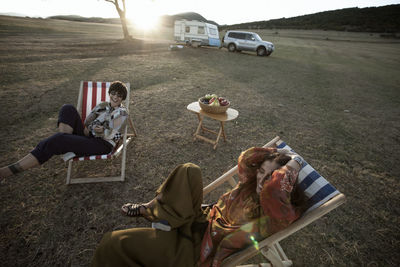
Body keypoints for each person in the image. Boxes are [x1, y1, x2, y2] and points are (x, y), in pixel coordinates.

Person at [91, 147, 307, 267]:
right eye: (261, 171)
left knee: (113, 243)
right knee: (189, 170)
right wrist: (275, 156)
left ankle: (163, 217)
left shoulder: (279, 213)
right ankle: (152, 209)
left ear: (284, 183)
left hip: (196, 249)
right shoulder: (250, 185)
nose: (262, 180)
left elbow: (273, 190)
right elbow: (246, 158)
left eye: (271, 177)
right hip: (198, 219)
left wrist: (296, 161)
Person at [0, 81, 129, 179]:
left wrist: (100, 131)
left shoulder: (122, 112)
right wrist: (92, 128)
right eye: (113, 93)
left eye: (119, 95)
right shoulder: (101, 105)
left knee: (58, 140)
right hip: (89, 135)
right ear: (109, 93)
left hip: (102, 143)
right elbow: (87, 122)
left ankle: (8, 171)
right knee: (67, 108)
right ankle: (65, 145)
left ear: (123, 98)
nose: (115, 97)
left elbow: (113, 134)